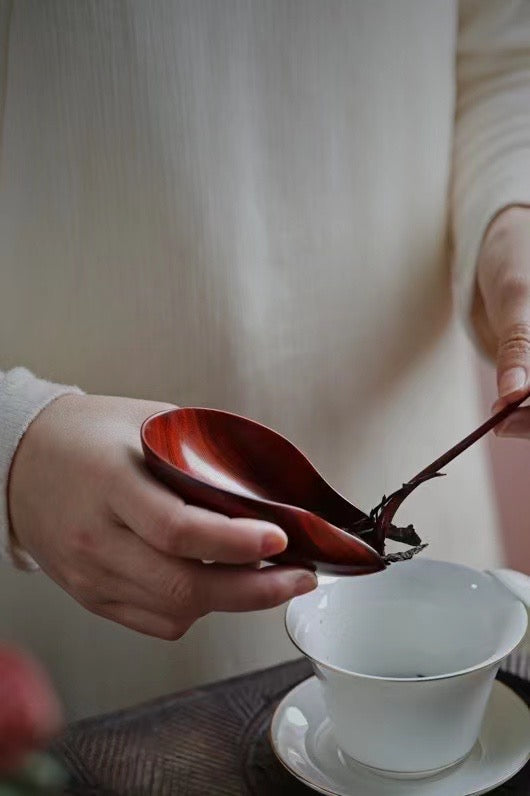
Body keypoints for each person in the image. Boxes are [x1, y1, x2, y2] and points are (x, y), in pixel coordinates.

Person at [1, 0, 529, 717]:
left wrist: (514, 221)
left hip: (427, 536)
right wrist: (15, 439)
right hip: (82, 564)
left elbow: (503, 57)